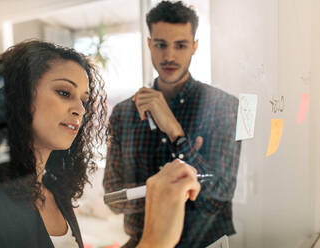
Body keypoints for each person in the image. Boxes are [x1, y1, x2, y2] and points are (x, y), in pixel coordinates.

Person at [0, 40, 201, 248]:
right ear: (17, 97)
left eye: (84, 99)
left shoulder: (56, 192)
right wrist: (155, 241)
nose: (80, 109)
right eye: (64, 92)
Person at [103, 1, 242, 247]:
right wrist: (178, 191)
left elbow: (218, 198)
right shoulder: (124, 113)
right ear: (149, 44)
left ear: (194, 46)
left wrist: (175, 132)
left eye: (180, 45)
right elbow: (114, 199)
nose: (169, 56)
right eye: (160, 44)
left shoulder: (223, 107)